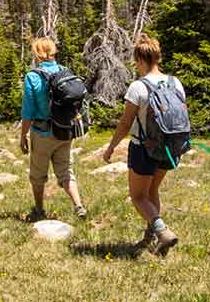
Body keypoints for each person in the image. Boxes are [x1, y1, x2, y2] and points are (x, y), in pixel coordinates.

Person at [102, 34, 181, 256]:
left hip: (143, 147)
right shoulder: (175, 82)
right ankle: (153, 238)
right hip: (169, 146)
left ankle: (162, 231)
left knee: (138, 197)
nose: (135, 66)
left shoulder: (138, 87)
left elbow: (126, 123)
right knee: (152, 190)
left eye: (135, 61)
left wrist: (110, 148)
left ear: (141, 59)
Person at [18, 37, 86, 222]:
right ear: (54, 51)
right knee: (65, 170)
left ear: (36, 53)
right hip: (65, 130)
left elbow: (28, 112)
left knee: (38, 174)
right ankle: (78, 205)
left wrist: (23, 135)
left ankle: (39, 209)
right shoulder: (66, 71)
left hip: (43, 133)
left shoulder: (33, 76)